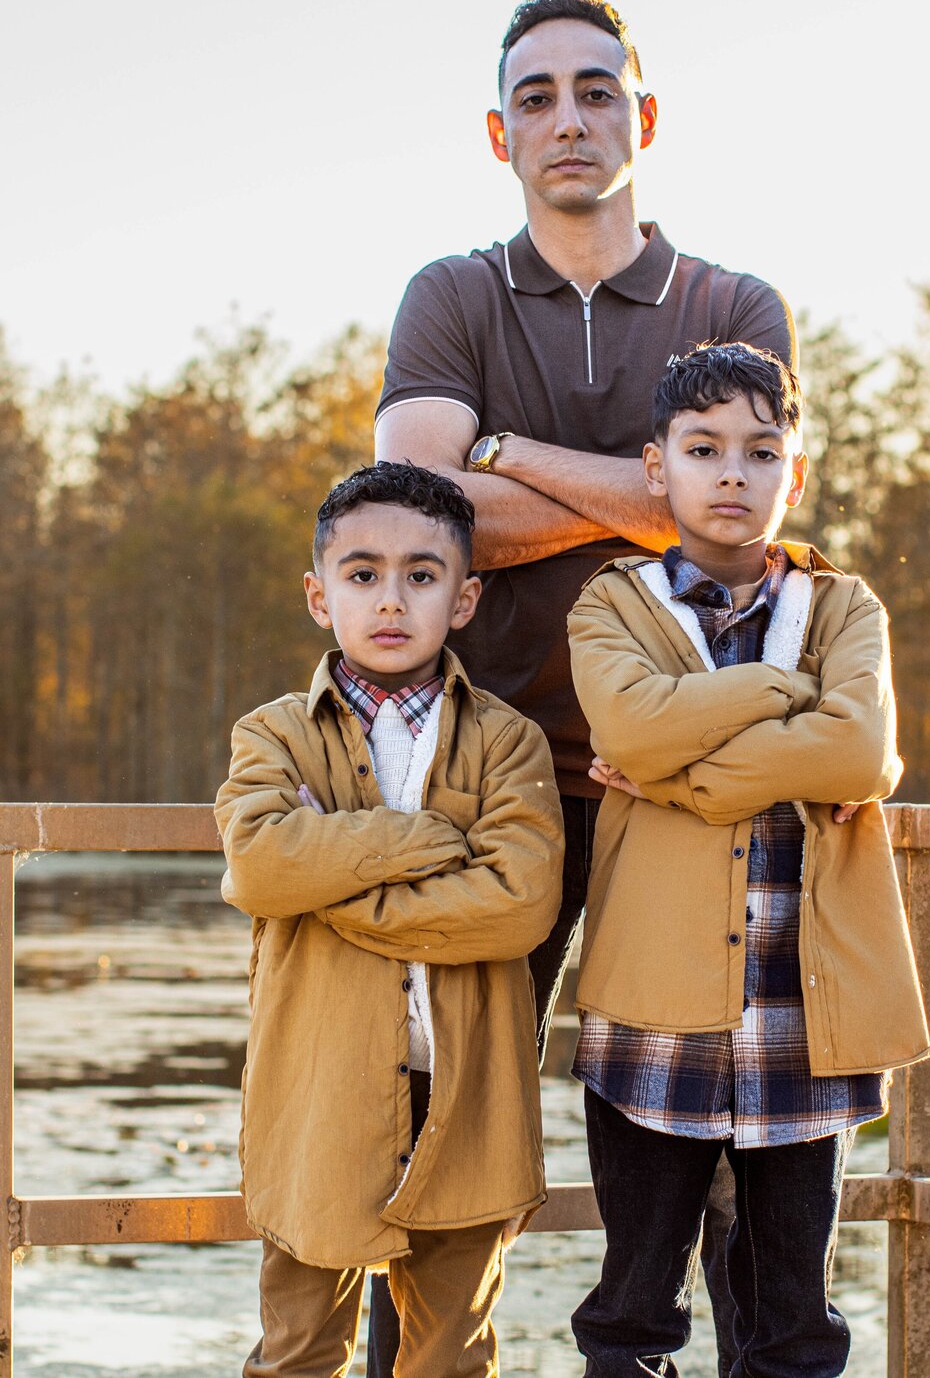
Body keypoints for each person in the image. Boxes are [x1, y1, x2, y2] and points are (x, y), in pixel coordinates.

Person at [372, 0, 794, 1376]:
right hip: (492, 782)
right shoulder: (453, 294)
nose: (569, 117)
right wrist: (643, 489)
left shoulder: (735, 302)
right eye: (539, 96)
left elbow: (729, 515)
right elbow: (417, 526)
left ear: (645, 115)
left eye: (596, 89)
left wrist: (503, 451)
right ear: (501, 132)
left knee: (718, 1137)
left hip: (693, 784)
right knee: (445, 1119)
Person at [566, 343, 930, 1377]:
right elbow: (630, 731)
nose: (733, 472)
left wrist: (686, 776)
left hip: (806, 1019)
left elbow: (861, 753)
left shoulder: (845, 608)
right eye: (704, 447)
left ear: (795, 474)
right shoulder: (612, 602)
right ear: (658, 467)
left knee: (793, 1319)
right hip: (653, 1021)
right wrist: (785, 698)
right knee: (633, 1313)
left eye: (761, 451)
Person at [215, 461, 563, 1378]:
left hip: (464, 1096)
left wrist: (327, 875)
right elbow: (258, 863)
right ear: (319, 596)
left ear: (464, 598)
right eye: (362, 573)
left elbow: (520, 903)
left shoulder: (507, 741)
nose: (390, 598)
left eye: (422, 574)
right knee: (298, 1352)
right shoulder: (274, 734)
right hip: (318, 1091)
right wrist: (429, 839)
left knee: (451, 1356)